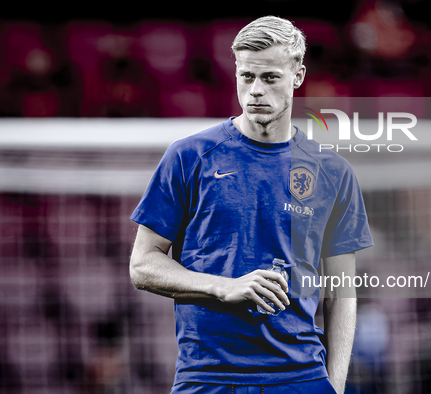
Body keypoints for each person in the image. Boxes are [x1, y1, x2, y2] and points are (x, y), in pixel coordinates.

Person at [129, 16, 373, 394]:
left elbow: (341, 291)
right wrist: (223, 287)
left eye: (270, 77)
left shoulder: (333, 172)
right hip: (207, 378)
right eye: (247, 77)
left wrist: (335, 386)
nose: (256, 90)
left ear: (298, 76)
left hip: (302, 378)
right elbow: (143, 265)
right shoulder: (189, 157)